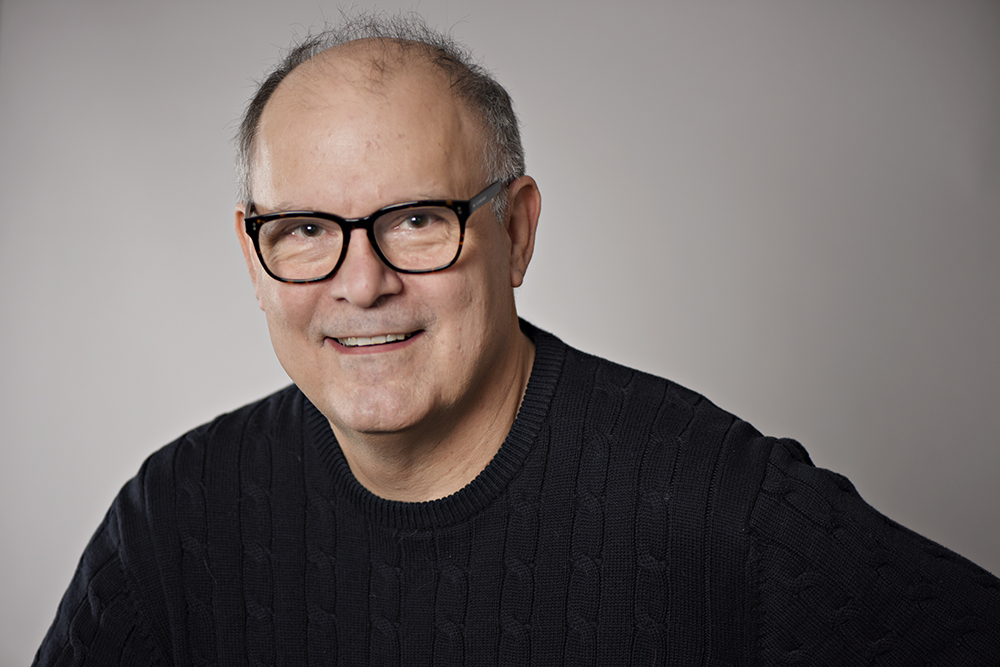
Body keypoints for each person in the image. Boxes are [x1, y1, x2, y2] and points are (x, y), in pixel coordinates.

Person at [34, 14, 999, 666]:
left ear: (518, 231)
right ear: (253, 256)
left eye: (417, 219)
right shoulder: (178, 517)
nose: (361, 282)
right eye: (305, 230)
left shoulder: (711, 502)